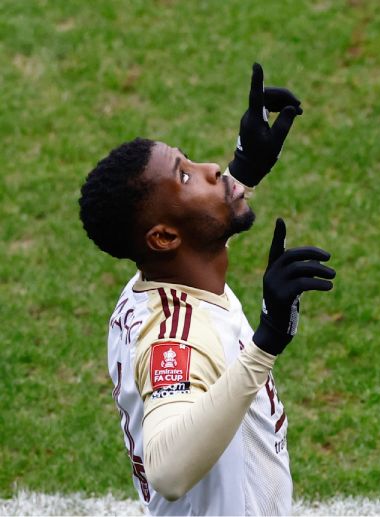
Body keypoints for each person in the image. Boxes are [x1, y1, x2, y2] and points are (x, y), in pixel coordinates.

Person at [78, 64, 336, 515]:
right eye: (184, 177)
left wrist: (244, 171)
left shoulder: (168, 274)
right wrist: (267, 342)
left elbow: (193, 233)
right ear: (162, 238)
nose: (211, 168)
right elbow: (168, 473)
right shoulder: (174, 337)